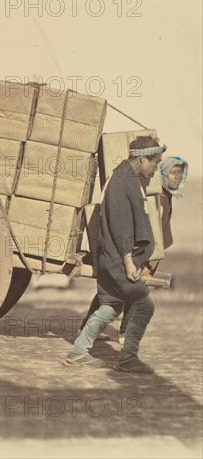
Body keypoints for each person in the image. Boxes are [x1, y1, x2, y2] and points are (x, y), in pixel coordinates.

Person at [63, 136, 165, 373]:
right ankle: (128, 359)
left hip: (112, 257)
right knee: (143, 305)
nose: (155, 169)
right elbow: (120, 226)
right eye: (155, 163)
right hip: (119, 259)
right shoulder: (123, 181)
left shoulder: (125, 176)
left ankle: (78, 351)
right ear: (141, 159)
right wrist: (129, 261)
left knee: (110, 306)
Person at [78, 155, 188, 342]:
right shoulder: (155, 195)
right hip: (139, 248)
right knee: (124, 287)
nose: (177, 177)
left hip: (152, 252)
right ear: (162, 173)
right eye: (172, 173)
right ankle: (109, 330)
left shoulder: (166, 195)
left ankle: (106, 329)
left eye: (180, 173)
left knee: (127, 287)